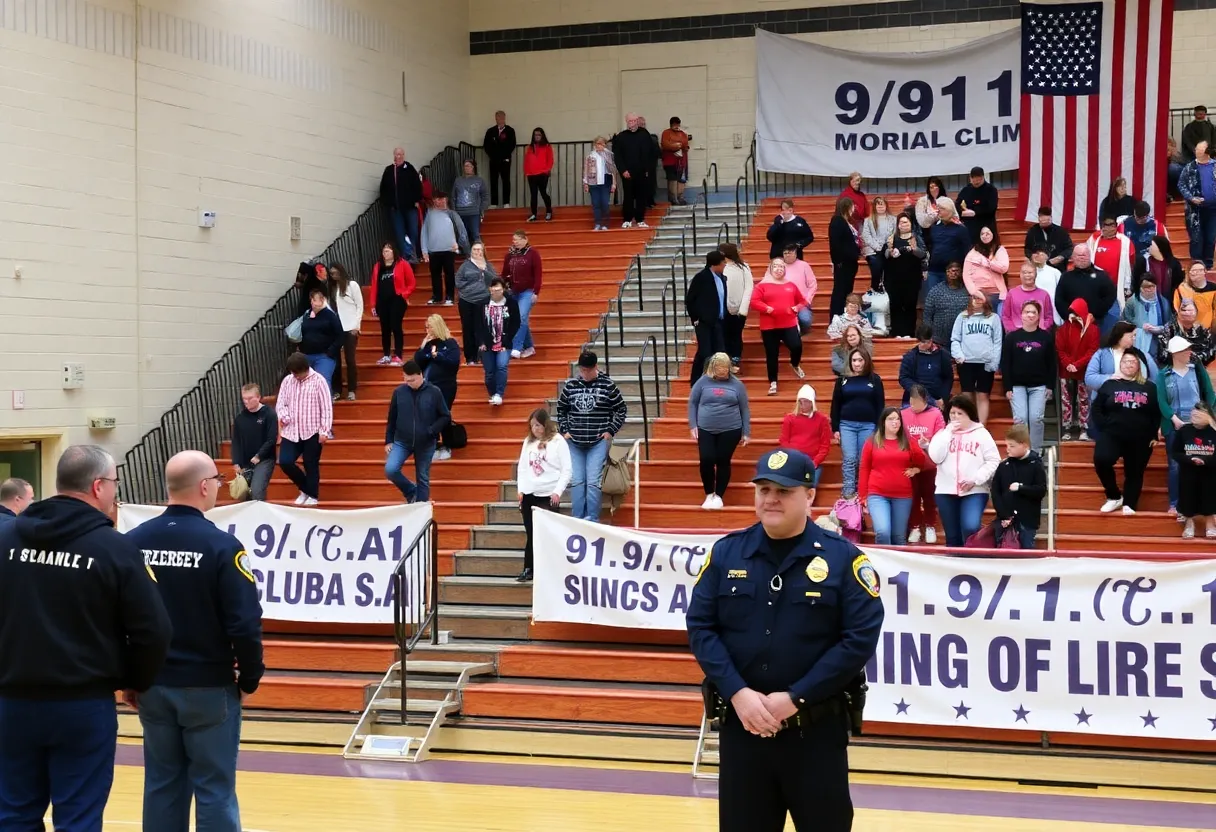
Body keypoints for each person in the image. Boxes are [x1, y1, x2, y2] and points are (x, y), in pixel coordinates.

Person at [686, 449, 883, 832]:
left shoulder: (844, 560)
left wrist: (795, 698)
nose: (770, 498)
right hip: (743, 732)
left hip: (815, 736)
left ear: (809, 496)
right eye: (763, 489)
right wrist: (739, 694)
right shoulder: (727, 554)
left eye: (783, 490)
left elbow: (859, 639)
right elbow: (701, 627)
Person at [0, 445, 170, 831]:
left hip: (11, 703)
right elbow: (154, 630)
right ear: (97, 487)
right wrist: (136, 681)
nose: (115, 493)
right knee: (78, 820)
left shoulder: (5, 542)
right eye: (114, 484)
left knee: (12, 815)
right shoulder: (116, 549)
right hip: (81, 705)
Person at [125, 450, 263, 832]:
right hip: (208, 686)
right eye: (217, 481)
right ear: (204, 486)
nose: (218, 488)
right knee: (214, 789)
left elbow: (119, 617)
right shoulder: (222, 547)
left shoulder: (132, 542)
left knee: (162, 786)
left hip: (154, 685)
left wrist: (132, 676)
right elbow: (245, 623)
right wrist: (250, 678)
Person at [556, 352, 628, 523]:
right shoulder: (570, 385)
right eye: (582, 370)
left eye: (588, 370)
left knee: (593, 480)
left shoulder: (608, 385)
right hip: (574, 441)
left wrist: (610, 430)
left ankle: (592, 519)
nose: (585, 374)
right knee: (578, 479)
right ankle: (577, 518)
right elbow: (561, 409)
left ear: (596, 367)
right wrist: (564, 430)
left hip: (597, 441)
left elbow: (621, 409)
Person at [1092, 348, 1161, 514]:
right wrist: (1105, 426)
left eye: (1132, 362)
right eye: (1125, 361)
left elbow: (1156, 412)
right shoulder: (1109, 384)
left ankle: (1130, 503)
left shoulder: (1149, 387)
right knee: (1101, 460)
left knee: (1135, 471)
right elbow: (1096, 409)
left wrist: (1153, 435)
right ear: (1120, 364)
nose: (1128, 364)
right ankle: (1114, 496)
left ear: (1139, 366)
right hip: (1112, 435)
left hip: (1140, 438)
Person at [927, 396, 1001, 547]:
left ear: (969, 414)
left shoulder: (981, 434)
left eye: (960, 413)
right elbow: (935, 457)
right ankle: (955, 564)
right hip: (945, 490)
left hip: (974, 490)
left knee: (970, 526)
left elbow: (994, 460)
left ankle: (972, 558)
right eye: (952, 413)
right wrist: (947, 433)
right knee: (952, 535)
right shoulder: (943, 434)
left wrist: (976, 479)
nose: (955, 417)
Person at [1156, 335, 1216, 518]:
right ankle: (1175, 503)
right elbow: (1161, 400)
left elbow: (1209, 394)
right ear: (1175, 354)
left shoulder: (1197, 370)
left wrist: (1207, 415)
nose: (1190, 353)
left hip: (1199, 425)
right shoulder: (1163, 374)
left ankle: (1204, 506)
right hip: (1175, 426)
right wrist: (1173, 419)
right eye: (1185, 350)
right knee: (1176, 465)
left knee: (1204, 464)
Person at [515, 408, 572, 582]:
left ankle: (553, 569)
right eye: (532, 426)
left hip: (548, 494)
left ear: (545, 425)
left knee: (549, 534)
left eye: (538, 425)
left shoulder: (558, 441)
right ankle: (529, 568)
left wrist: (557, 492)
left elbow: (567, 470)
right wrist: (521, 490)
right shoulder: (528, 442)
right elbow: (523, 468)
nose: (535, 429)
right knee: (531, 533)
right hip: (530, 493)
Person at [689, 353, 751, 510]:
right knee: (707, 459)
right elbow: (693, 403)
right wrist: (693, 425)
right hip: (706, 428)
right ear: (713, 368)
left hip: (731, 428)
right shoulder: (702, 381)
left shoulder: (737, 385)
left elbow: (744, 408)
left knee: (723, 459)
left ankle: (719, 495)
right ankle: (709, 493)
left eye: (725, 369)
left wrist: (746, 432)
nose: (722, 372)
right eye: (719, 369)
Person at [384, 359, 450, 504]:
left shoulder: (434, 392)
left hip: (426, 442)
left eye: (412, 380)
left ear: (421, 375)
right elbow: (392, 417)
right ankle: (411, 491)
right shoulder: (399, 392)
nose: (409, 383)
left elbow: (445, 416)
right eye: (406, 380)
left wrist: (432, 431)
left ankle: (421, 505)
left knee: (423, 476)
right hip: (402, 440)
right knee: (391, 469)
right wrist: (388, 440)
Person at [859, 407, 926, 545]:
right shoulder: (872, 442)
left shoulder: (908, 441)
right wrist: (863, 496)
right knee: (883, 532)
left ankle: (898, 567)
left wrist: (916, 469)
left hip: (903, 496)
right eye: (890, 419)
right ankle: (882, 566)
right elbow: (864, 468)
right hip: (877, 494)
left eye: (897, 419)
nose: (895, 422)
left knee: (899, 537)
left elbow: (921, 461)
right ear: (883, 422)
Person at [1086, 321, 1159, 439]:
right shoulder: (1101, 354)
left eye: (1135, 336)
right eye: (1131, 336)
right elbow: (1089, 378)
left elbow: (1155, 379)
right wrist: (1109, 378)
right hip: (1109, 409)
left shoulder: (1141, 355)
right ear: (1121, 335)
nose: (1134, 339)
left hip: (1137, 409)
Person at [277, 352, 332, 506]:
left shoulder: (319, 381)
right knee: (285, 462)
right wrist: (284, 416)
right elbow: (280, 403)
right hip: (291, 431)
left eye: (298, 373)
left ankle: (313, 495)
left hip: (312, 431)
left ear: (305, 368)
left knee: (310, 464)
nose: (296, 377)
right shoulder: (288, 381)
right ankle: (305, 489)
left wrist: (324, 430)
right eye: (294, 373)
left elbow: (326, 407)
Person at [830, 349, 885, 499]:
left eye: (860, 360)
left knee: (864, 459)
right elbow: (835, 405)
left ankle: (863, 490)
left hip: (868, 425)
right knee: (849, 459)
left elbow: (880, 405)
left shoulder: (875, 380)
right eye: (854, 360)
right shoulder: (842, 380)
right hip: (846, 425)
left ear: (866, 361)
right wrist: (835, 428)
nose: (857, 363)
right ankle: (848, 492)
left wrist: (879, 428)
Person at [1001, 302, 1055, 451]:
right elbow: (1005, 363)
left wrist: (1050, 386)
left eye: (1034, 312)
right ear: (1021, 314)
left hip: (1039, 386)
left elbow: (1052, 363)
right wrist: (1007, 387)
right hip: (1017, 386)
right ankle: (1021, 450)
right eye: (1027, 312)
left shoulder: (1046, 337)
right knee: (1020, 419)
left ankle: (1035, 452)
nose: (1030, 315)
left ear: (1038, 316)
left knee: (1036, 419)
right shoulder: (1012, 337)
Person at [750, 258, 807, 396]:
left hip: (789, 323)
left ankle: (794, 363)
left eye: (781, 266)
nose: (778, 269)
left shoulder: (791, 285)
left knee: (796, 346)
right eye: (775, 266)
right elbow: (753, 302)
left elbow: (802, 301)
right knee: (772, 353)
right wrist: (766, 308)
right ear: (770, 268)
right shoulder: (762, 286)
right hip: (769, 326)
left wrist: (796, 308)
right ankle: (773, 382)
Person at [990, 425, 1047, 549]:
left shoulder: (1036, 464)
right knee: (1005, 555)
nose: (1008, 449)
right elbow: (995, 492)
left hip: (1027, 521)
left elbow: (1041, 490)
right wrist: (1003, 515)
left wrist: (1022, 488)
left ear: (1024, 445)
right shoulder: (1004, 466)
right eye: (1007, 445)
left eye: (1012, 446)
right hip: (1005, 521)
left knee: (1026, 553)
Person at [901, 385, 946, 544]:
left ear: (925, 400)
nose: (913, 406)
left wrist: (928, 443)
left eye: (917, 402)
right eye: (911, 402)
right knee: (912, 497)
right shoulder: (903, 414)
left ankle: (930, 525)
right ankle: (914, 527)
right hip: (909, 464)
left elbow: (942, 438)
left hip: (930, 464)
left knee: (929, 497)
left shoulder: (936, 414)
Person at [415, 315, 461, 460]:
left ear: (437, 326)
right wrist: (423, 348)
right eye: (426, 327)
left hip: (446, 386)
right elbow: (417, 363)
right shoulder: (428, 343)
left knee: (443, 414)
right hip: (428, 386)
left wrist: (437, 356)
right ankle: (433, 445)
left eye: (430, 327)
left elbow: (454, 364)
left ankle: (447, 444)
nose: (427, 330)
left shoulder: (450, 343)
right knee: (430, 415)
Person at [951, 295, 1003, 425]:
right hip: (966, 363)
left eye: (980, 298)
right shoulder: (962, 316)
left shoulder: (993, 318)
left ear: (986, 300)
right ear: (970, 300)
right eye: (974, 298)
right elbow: (955, 339)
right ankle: (968, 425)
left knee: (983, 395)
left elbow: (997, 342)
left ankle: (981, 428)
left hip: (986, 363)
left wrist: (994, 362)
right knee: (967, 396)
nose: (977, 301)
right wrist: (959, 356)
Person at [779, 385, 831, 506]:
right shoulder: (790, 418)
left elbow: (825, 446)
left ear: (812, 402)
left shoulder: (822, 419)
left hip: (812, 463)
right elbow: (784, 442)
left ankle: (804, 511)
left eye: (807, 401)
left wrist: (814, 462)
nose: (803, 404)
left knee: (808, 488)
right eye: (801, 401)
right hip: (793, 461)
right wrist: (793, 459)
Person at [1057, 299, 1100, 441]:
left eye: (1076, 312)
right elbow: (1060, 349)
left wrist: (1077, 364)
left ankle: (1083, 428)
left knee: (1083, 400)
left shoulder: (1093, 330)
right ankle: (1067, 428)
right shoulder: (1064, 328)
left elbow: (1092, 350)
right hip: (1066, 371)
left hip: (1084, 371)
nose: (1073, 315)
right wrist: (1068, 364)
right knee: (1066, 401)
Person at [1172, 401, 1216, 539]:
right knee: (1187, 495)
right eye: (1193, 412)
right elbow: (1175, 452)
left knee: (1210, 496)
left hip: (1210, 471)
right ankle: (1189, 523)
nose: (1194, 414)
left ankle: (1210, 525)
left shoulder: (1213, 432)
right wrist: (1189, 460)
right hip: (1188, 471)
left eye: (1199, 412)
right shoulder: (1184, 431)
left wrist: (1206, 461)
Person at [369, 241, 416, 367]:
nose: (386, 253)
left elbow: (411, 283)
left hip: (397, 300)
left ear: (394, 251)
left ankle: (398, 355)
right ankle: (386, 355)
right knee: (385, 328)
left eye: (388, 250)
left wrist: (404, 294)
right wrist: (373, 304)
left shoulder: (402, 264)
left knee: (396, 325)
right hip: (382, 301)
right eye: (384, 251)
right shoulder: (378, 266)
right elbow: (374, 286)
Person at [1056, 247, 1118, 338]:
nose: (1081, 257)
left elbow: (1110, 297)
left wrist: (1095, 315)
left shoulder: (1102, 276)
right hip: (1073, 324)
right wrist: (1069, 315)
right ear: (1072, 258)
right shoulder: (1065, 277)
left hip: (1097, 323)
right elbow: (1059, 300)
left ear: (1090, 256)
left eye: (1084, 255)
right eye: (1078, 255)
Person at [476, 278, 521, 406]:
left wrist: (507, 341)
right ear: (490, 289)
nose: (496, 292)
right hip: (487, 343)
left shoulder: (511, 303)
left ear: (504, 290)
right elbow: (478, 325)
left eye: (499, 290)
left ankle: (499, 393)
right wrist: (481, 342)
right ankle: (492, 393)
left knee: (501, 366)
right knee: (489, 372)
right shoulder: (482, 304)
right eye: (494, 290)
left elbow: (515, 323)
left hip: (504, 342)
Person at [685, 251, 729, 381]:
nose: (725, 265)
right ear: (716, 264)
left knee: (720, 352)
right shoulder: (701, 277)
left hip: (719, 321)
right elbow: (690, 299)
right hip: (704, 322)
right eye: (723, 263)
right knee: (705, 352)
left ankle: (717, 379)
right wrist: (695, 319)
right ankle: (696, 381)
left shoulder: (722, 278)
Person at [882, 213, 927, 337]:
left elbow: (923, 254)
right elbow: (884, 254)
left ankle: (909, 332)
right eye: (901, 222)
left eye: (906, 222)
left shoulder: (916, 237)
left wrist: (913, 249)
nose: (903, 224)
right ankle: (896, 331)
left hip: (912, 278)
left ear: (911, 224)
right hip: (894, 278)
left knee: (910, 305)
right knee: (895, 304)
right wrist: (890, 253)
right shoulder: (892, 237)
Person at [420, 192, 469, 306]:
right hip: (433, 250)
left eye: (442, 199)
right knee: (435, 275)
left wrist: (464, 248)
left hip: (449, 250)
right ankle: (436, 297)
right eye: (437, 199)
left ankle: (450, 297)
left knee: (449, 274)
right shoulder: (430, 214)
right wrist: (424, 250)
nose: (439, 201)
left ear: (446, 199)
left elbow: (462, 230)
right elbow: (424, 232)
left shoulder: (452, 214)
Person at [231, 383, 278, 501]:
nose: (246, 402)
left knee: (257, 490)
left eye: (250, 398)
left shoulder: (269, 414)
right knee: (244, 494)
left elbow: (271, 439)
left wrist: (259, 455)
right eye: (244, 399)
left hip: (264, 459)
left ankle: (261, 517)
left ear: (258, 397)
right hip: (245, 461)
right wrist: (236, 461)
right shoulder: (240, 418)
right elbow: (236, 441)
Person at [501, 229, 542, 359]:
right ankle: (529, 347)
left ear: (525, 239)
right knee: (518, 319)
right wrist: (502, 287)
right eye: (514, 240)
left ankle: (516, 347)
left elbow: (538, 274)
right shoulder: (510, 255)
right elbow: (504, 273)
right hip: (513, 291)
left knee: (521, 317)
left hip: (527, 291)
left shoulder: (533, 253)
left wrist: (536, 292)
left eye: (518, 240)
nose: (515, 242)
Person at [613, 113, 657, 228]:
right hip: (627, 172)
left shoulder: (644, 135)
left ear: (637, 121)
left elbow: (650, 153)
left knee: (641, 196)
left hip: (642, 171)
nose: (632, 123)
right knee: (628, 196)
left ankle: (640, 219)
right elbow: (618, 156)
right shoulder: (621, 137)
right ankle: (627, 219)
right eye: (629, 121)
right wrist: (623, 170)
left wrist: (648, 169)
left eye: (634, 121)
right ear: (626, 122)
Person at [455, 241, 496, 365]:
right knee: (468, 328)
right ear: (471, 251)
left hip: (484, 300)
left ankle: (482, 355)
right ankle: (470, 357)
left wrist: (484, 271)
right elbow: (458, 281)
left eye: (479, 250)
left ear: (483, 251)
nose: (477, 252)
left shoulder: (488, 265)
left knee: (482, 328)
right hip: (466, 300)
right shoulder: (465, 266)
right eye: (475, 250)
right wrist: (470, 286)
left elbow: (495, 281)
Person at [380, 147, 423, 261]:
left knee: (413, 231)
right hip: (396, 209)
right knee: (400, 234)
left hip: (410, 208)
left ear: (404, 156)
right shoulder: (389, 170)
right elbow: (383, 189)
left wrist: (416, 200)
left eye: (400, 154)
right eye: (396, 154)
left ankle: (412, 255)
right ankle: (406, 257)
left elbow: (417, 187)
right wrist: (389, 204)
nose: (398, 157)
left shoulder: (409, 169)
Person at [1178, 141, 1216, 268]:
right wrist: (1190, 198)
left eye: (1200, 150)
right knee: (1196, 238)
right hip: (1195, 211)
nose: (1197, 152)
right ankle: (1196, 264)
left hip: (1213, 210)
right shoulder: (1189, 168)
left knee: (1210, 238)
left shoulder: (1215, 166)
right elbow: (1181, 185)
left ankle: (1208, 264)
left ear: (1207, 151)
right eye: (1197, 150)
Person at [329, 263, 363, 401]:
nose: (334, 275)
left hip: (350, 327)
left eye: (336, 272)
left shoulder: (352, 285)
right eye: (331, 274)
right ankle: (337, 390)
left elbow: (359, 305)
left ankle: (351, 389)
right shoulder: (332, 288)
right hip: (336, 328)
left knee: (350, 359)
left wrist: (357, 326)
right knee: (335, 361)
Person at [924, 261, 972, 358]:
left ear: (962, 272)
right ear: (946, 272)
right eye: (949, 271)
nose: (953, 273)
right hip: (939, 340)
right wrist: (929, 336)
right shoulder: (936, 291)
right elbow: (927, 316)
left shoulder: (969, 291)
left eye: (956, 271)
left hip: (963, 340)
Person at [298, 288, 344, 389]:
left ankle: (326, 403)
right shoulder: (307, 315)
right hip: (307, 355)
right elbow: (302, 332)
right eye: (311, 300)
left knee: (323, 382)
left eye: (314, 300)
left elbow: (340, 335)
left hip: (324, 356)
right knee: (308, 385)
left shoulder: (330, 316)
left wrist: (330, 351)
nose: (312, 303)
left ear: (322, 300)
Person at [925, 200, 972, 297]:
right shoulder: (934, 228)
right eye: (938, 209)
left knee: (952, 299)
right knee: (933, 298)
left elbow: (967, 250)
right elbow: (929, 246)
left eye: (941, 209)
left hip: (953, 271)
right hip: (934, 270)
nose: (938, 211)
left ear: (949, 211)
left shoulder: (961, 229)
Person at [1087, 217, 1135, 310]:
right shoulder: (1094, 238)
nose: (1106, 229)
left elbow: (1131, 264)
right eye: (1104, 226)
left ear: (1115, 227)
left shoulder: (1125, 242)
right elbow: (1086, 255)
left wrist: (1127, 285)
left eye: (1110, 226)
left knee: (1115, 310)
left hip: (1116, 285)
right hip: (1096, 283)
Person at [898, 325, 952, 407]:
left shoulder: (943, 355)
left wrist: (943, 398)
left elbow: (948, 378)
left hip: (938, 399)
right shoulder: (910, 356)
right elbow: (904, 378)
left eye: (925, 342)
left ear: (931, 340)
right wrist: (920, 394)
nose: (921, 344)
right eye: (920, 341)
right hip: (916, 398)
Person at [720, 243, 754, 369]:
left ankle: (735, 359)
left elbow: (749, 288)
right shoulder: (720, 267)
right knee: (723, 334)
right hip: (723, 308)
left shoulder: (744, 268)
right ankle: (725, 360)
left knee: (736, 334)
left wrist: (743, 309)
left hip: (739, 308)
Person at [962, 227, 1010, 315]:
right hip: (978, 293)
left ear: (993, 235)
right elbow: (966, 275)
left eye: (987, 233)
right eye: (982, 234)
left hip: (996, 294)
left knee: (997, 322)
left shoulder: (999, 250)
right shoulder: (972, 253)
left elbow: (1004, 268)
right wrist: (974, 292)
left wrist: (987, 263)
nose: (985, 236)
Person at [1156, 298, 1216, 367]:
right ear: (1178, 312)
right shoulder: (1169, 329)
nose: (1187, 313)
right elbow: (1162, 355)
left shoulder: (1202, 330)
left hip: (1198, 369)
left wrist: (1197, 359)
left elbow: (1211, 351)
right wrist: (1181, 358)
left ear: (1196, 312)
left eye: (1190, 311)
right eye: (1184, 310)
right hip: (1174, 369)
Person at [1122, 276, 1173, 358]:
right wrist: (1140, 326)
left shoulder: (1163, 302)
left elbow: (1169, 323)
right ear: (1140, 288)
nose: (1149, 289)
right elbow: (1125, 320)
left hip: (1157, 340)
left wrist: (1159, 329)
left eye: (1152, 286)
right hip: (1136, 340)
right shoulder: (1132, 302)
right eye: (1146, 287)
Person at [828, 197, 861, 317]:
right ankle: (836, 318)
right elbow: (835, 244)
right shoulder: (837, 221)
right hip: (843, 263)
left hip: (850, 262)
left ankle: (843, 316)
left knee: (847, 291)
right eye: (852, 206)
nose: (854, 209)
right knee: (840, 292)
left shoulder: (846, 221)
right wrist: (838, 261)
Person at [1001, 261, 1055, 333]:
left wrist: (1042, 329)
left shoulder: (1044, 294)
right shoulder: (1012, 293)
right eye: (1024, 272)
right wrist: (1013, 331)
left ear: (1035, 274)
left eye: (1030, 272)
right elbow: (1006, 316)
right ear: (1020, 275)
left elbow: (1049, 317)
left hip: (1038, 335)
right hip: (1016, 334)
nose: (1027, 275)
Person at [1131, 235, 1185, 302]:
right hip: (1147, 300)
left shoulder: (1174, 264)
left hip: (1169, 301)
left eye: (1151, 245)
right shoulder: (1143, 262)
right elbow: (1136, 281)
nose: (1148, 247)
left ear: (1159, 247)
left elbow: (1178, 283)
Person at [582, 137, 618, 231]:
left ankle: (605, 224)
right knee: (596, 203)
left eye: (602, 143)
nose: (600, 145)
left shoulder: (609, 155)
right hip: (593, 181)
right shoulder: (590, 156)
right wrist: (585, 183)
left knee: (605, 203)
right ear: (595, 144)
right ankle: (597, 223)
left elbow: (613, 170)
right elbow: (586, 170)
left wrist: (614, 184)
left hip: (606, 181)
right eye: (598, 143)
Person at [860, 196, 896, 291]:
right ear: (874, 206)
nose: (880, 207)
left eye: (882, 204)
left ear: (886, 206)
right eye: (878, 204)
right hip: (873, 250)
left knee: (889, 269)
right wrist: (877, 247)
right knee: (876, 266)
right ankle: (875, 288)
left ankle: (887, 291)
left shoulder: (893, 219)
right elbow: (866, 235)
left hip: (888, 248)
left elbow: (895, 233)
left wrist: (889, 244)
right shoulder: (868, 220)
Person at [780, 244, 817, 334]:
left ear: (795, 253)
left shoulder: (804, 265)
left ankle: (799, 332)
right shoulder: (778, 266)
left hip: (801, 302)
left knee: (806, 320)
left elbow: (813, 285)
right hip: (782, 303)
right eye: (785, 253)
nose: (788, 255)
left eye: (790, 252)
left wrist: (807, 300)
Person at [1023, 206, 1075, 270]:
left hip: (1058, 268)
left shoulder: (1061, 231)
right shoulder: (1032, 231)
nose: (1044, 223)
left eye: (1046, 221)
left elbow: (1069, 248)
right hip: (1038, 267)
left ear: (1051, 218)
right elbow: (1027, 249)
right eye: (1042, 221)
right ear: (1039, 218)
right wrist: (1032, 256)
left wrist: (1060, 257)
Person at [483, 111, 517, 209]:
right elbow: (486, 145)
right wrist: (492, 155)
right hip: (493, 160)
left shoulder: (510, 131)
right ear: (495, 118)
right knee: (493, 180)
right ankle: (494, 203)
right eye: (498, 117)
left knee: (506, 180)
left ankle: (506, 202)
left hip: (505, 160)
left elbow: (512, 145)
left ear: (505, 118)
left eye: (502, 117)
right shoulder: (490, 131)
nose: (500, 119)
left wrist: (504, 156)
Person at [956, 166, 998, 243]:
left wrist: (975, 212)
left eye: (978, 180)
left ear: (983, 177)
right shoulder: (966, 189)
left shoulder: (991, 190)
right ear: (970, 178)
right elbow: (957, 204)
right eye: (974, 180)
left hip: (986, 225)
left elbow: (991, 208)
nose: (976, 183)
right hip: (969, 226)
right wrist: (962, 212)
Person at [452, 159, 489, 243]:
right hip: (460, 213)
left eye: (469, 166)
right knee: (462, 235)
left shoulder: (479, 180)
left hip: (474, 213)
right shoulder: (458, 180)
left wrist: (482, 209)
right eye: (465, 166)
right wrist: (454, 211)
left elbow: (485, 196)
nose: (467, 168)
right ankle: (466, 254)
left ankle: (477, 254)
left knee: (475, 235)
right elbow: (453, 196)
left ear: (473, 167)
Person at [521, 127, 554, 222]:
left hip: (542, 174)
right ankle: (534, 214)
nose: (537, 136)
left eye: (539, 134)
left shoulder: (547, 146)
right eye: (535, 135)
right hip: (531, 174)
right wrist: (526, 171)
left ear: (542, 135)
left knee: (543, 193)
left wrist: (547, 170)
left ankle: (549, 211)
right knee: (533, 194)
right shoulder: (530, 147)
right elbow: (527, 161)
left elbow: (550, 160)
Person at [660, 117, 692, 206]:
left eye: (678, 124)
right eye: (674, 124)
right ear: (671, 125)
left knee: (681, 179)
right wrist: (677, 145)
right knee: (672, 179)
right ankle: (673, 198)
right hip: (670, 161)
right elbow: (665, 144)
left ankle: (680, 197)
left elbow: (685, 145)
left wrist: (677, 145)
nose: (676, 126)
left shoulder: (683, 134)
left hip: (681, 161)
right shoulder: (666, 133)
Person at [1175, 260, 1216, 328]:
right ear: (1188, 272)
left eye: (1200, 270)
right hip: (1187, 329)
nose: (1197, 273)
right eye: (1193, 270)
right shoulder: (1181, 289)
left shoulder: (1214, 288)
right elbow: (1177, 310)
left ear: (1205, 272)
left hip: (1209, 330)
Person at [1030, 247, 1065, 326]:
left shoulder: (1055, 272)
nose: (1038, 256)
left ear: (1047, 256)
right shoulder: (1029, 273)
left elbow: (1061, 294)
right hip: (1034, 312)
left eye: (1041, 253)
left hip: (1053, 313)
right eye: (1035, 253)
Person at [914, 176, 947, 247]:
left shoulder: (946, 200)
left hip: (944, 234)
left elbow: (952, 215)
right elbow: (922, 222)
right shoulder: (922, 201)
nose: (934, 189)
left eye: (936, 186)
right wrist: (935, 216)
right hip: (927, 235)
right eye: (931, 187)